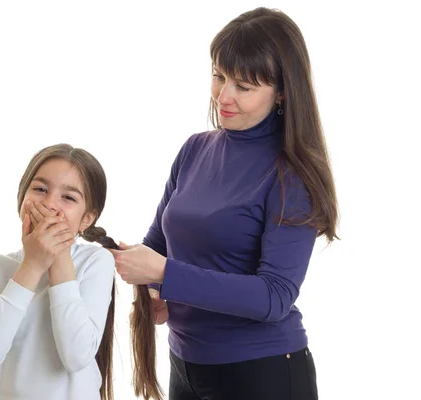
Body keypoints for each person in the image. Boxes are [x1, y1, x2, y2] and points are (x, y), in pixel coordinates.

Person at [109, 7, 338, 400]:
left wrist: (166, 273)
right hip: (185, 365)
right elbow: (158, 247)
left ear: (282, 91)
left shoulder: (291, 175)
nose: (223, 96)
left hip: (260, 374)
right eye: (218, 76)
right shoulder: (195, 149)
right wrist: (153, 288)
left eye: (244, 87)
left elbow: (274, 296)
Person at [0, 144, 119, 400]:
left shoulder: (96, 262)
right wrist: (33, 265)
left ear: (86, 219)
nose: (49, 204)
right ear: (21, 198)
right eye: (40, 189)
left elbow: (76, 356)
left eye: (68, 198)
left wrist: (58, 257)